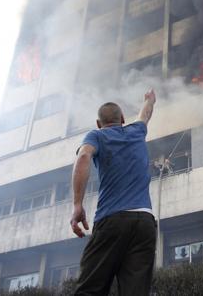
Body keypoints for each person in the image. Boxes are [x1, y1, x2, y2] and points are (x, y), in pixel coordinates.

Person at [70, 88, 157, 295]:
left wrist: (77, 204)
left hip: (112, 220)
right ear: (123, 119)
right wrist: (149, 100)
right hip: (145, 221)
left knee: (89, 289)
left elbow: (83, 158)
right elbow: (145, 114)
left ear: (99, 124)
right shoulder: (137, 131)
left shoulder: (97, 136)